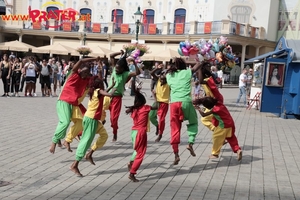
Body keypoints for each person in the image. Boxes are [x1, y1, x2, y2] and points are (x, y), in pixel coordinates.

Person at [49, 56, 100, 154]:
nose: (84, 74)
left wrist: (99, 66)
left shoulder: (87, 80)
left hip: (75, 104)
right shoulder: (73, 74)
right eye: (83, 72)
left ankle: (67, 140)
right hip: (64, 101)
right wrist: (93, 58)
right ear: (79, 70)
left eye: (87, 73)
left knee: (81, 123)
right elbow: (80, 61)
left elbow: (98, 81)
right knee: (65, 122)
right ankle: (54, 142)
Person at [70, 76, 116, 177]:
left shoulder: (95, 92)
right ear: (99, 85)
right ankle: (75, 164)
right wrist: (114, 89)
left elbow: (104, 93)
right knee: (86, 141)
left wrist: (111, 85)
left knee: (104, 135)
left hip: (92, 119)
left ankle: (90, 154)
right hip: (91, 119)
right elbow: (109, 94)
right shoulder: (98, 91)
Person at [166, 58, 202, 165]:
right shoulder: (187, 72)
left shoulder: (169, 75)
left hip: (173, 104)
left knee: (175, 129)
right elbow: (199, 64)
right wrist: (191, 61)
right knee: (193, 122)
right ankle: (190, 143)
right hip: (186, 102)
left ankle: (176, 154)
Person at [193, 94, 242, 161]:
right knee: (231, 138)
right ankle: (237, 150)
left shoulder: (215, 109)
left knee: (216, 138)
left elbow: (204, 115)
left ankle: (215, 154)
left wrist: (198, 109)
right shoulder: (219, 104)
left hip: (223, 126)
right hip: (231, 125)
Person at [125, 89, 158, 182]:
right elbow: (156, 106)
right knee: (140, 153)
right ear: (143, 101)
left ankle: (131, 163)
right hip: (141, 132)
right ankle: (132, 172)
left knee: (137, 150)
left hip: (133, 132)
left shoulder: (134, 109)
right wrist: (155, 95)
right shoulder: (145, 107)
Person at [108, 50, 141, 142]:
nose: (117, 70)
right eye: (116, 68)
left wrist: (134, 62)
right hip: (107, 96)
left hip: (117, 98)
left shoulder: (125, 74)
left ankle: (115, 133)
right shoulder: (114, 68)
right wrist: (119, 53)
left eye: (119, 69)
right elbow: (111, 55)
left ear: (123, 69)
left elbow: (137, 73)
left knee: (113, 119)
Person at [149, 66, 170, 142]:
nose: (162, 81)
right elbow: (151, 73)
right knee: (150, 116)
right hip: (156, 102)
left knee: (161, 119)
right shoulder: (158, 80)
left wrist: (169, 71)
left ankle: (160, 134)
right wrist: (157, 68)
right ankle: (157, 126)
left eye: (164, 79)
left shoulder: (169, 84)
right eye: (161, 79)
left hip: (164, 103)